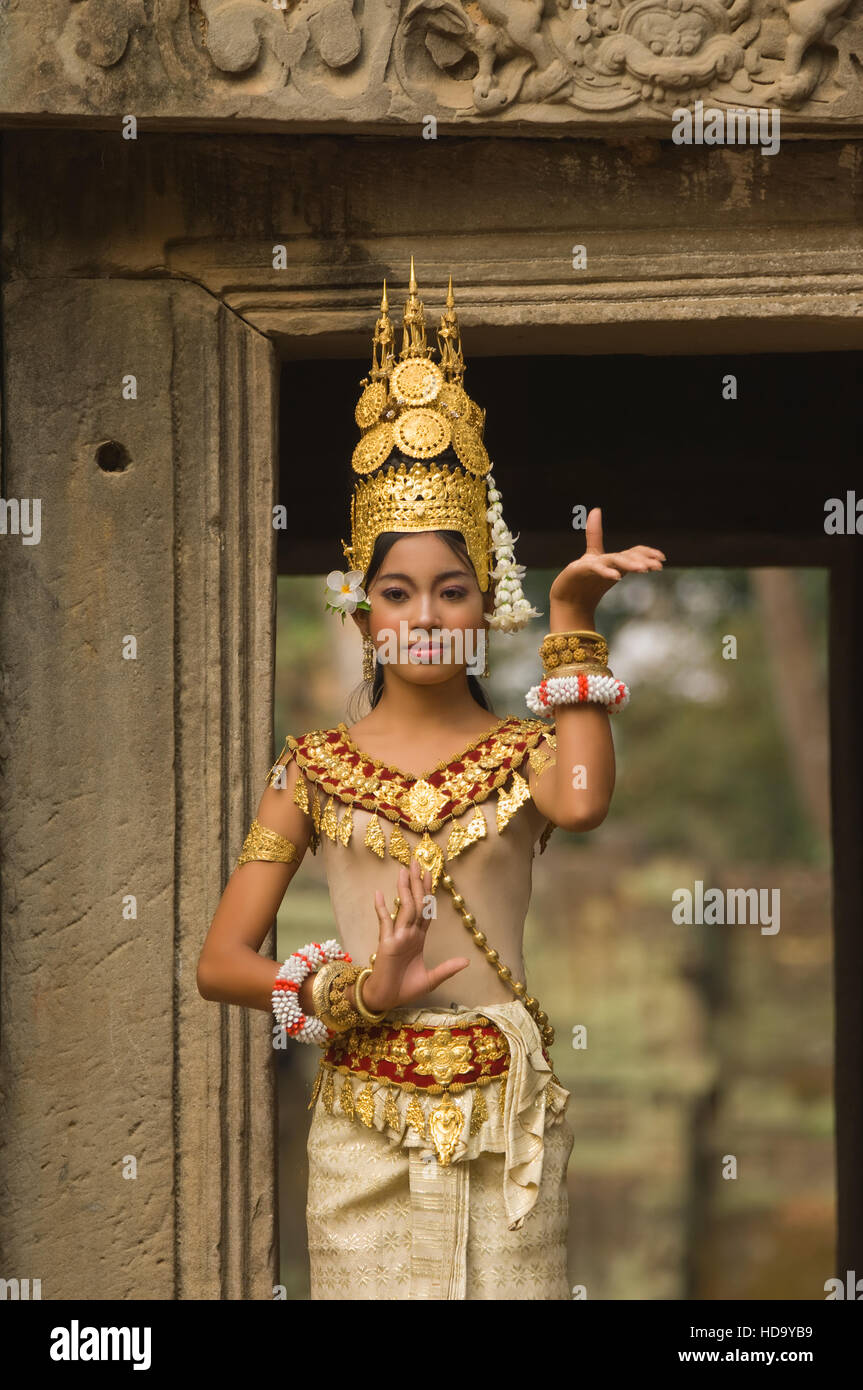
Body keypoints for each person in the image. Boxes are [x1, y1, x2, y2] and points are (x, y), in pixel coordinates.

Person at [196, 262, 665, 1299]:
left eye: (451, 590)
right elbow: (222, 962)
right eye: (396, 591)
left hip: (507, 1118)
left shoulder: (522, 752)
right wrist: (357, 989)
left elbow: (583, 800)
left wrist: (571, 622)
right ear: (361, 615)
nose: (422, 614)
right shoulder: (311, 768)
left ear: (483, 606)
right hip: (361, 1115)